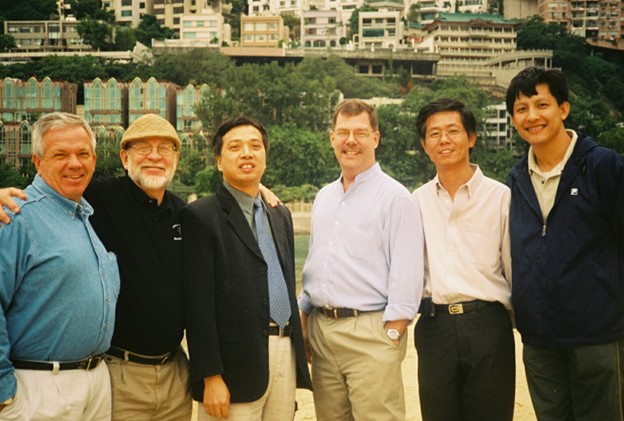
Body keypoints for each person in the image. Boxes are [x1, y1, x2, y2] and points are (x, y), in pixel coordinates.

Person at [506, 66, 624, 420]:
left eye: (541, 105)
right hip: (539, 339)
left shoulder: (603, 165)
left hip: (597, 335)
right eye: (522, 109)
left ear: (563, 108)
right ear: (513, 119)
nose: (532, 116)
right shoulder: (516, 178)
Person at [298, 99, 424, 421]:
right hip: (323, 332)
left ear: (376, 138)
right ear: (332, 138)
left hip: (372, 332)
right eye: (343, 133)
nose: (350, 141)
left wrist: (391, 335)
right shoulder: (324, 197)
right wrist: (304, 314)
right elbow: (316, 264)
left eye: (360, 133)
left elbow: (408, 275)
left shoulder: (396, 198)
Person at [180, 115, 312, 420]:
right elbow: (198, 306)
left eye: (255, 146)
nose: (246, 154)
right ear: (218, 161)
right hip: (233, 366)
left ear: (265, 156)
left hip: (284, 350)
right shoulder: (200, 216)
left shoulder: (279, 214)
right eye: (235, 147)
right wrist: (210, 376)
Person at [0, 112, 120, 419]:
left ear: (94, 159)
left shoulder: (82, 215)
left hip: (94, 382)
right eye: (60, 155)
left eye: (83, 154)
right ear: (38, 162)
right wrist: (3, 392)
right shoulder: (16, 216)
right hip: (40, 387)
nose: (74, 163)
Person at [413, 98, 515, 421]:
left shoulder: (500, 197)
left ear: (471, 137)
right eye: (434, 134)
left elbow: (512, 266)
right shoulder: (416, 201)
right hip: (435, 326)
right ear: (424, 145)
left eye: (453, 131)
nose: (444, 140)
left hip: (488, 324)